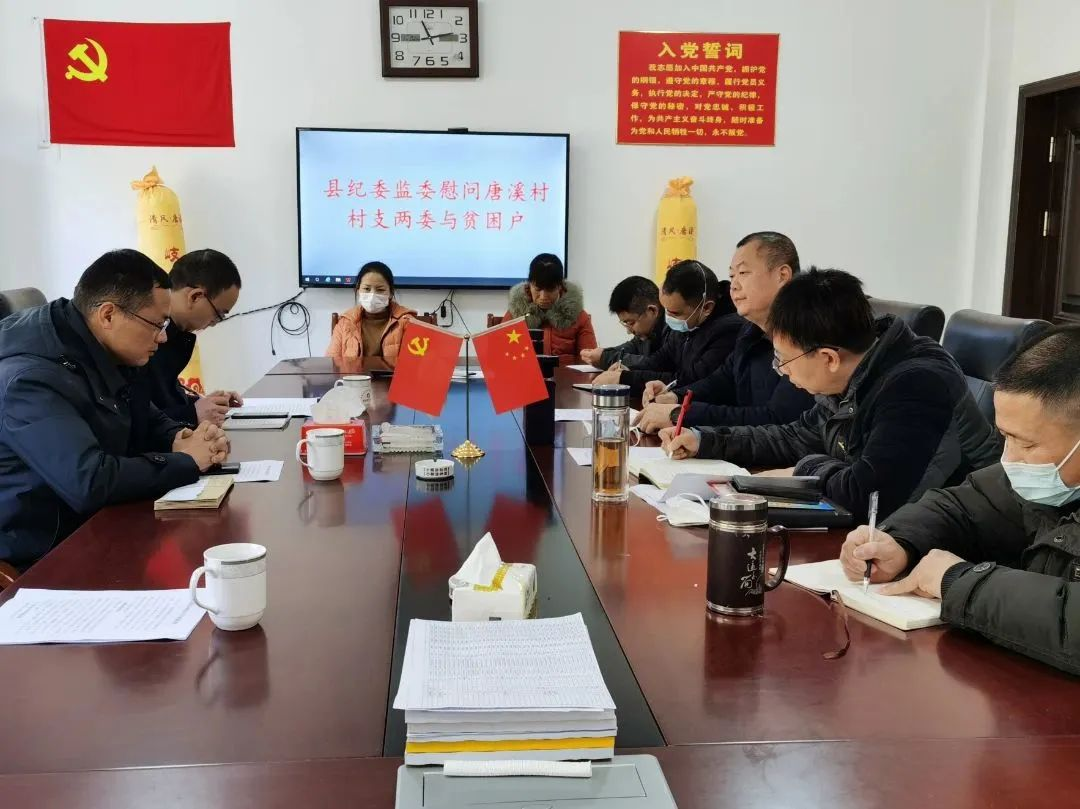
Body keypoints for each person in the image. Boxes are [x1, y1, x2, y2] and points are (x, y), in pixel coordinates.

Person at [660, 268, 1001, 522]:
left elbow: (869, 497)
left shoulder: (917, 385)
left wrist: (804, 469)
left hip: (954, 545)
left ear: (828, 358)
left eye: (785, 360)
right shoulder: (854, 372)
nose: (782, 371)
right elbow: (796, 436)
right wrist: (706, 440)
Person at [840, 326, 1080, 675]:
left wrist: (957, 580)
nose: (1010, 458)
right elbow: (964, 505)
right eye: (1005, 437)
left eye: (1027, 444)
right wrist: (900, 542)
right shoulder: (1053, 478)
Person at [0, 249, 230, 570]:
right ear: (108, 315)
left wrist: (179, 436)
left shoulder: (97, 344)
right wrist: (187, 460)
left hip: (98, 526)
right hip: (45, 555)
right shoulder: (29, 379)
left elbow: (143, 411)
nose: (163, 337)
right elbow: (90, 482)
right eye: (156, 324)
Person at [634, 232, 814, 433]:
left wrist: (680, 414)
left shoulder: (808, 333)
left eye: (743, 273)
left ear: (782, 275)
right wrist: (676, 396)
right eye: (731, 276)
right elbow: (723, 380)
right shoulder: (750, 329)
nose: (734, 286)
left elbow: (778, 420)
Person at [592, 259, 741, 397]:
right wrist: (628, 369)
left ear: (706, 307)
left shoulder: (728, 330)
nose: (667, 317)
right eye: (666, 310)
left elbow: (691, 379)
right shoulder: (686, 325)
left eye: (675, 313)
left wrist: (626, 378)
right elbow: (659, 360)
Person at [141, 248, 243, 427]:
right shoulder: (145, 333)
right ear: (195, 296)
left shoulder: (177, 335)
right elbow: (134, 418)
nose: (215, 323)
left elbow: (163, 399)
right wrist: (192, 413)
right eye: (218, 314)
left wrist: (208, 404)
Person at [505, 253, 596, 362]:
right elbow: (501, 354)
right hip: (525, 371)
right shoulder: (515, 314)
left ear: (560, 286)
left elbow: (590, 360)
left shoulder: (578, 316)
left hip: (565, 372)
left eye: (550, 290)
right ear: (529, 285)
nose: (543, 297)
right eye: (538, 289)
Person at [326, 262, 417, 365]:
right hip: (353, 375)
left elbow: (415, 365)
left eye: (380, 290)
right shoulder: (345, 322)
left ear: (391, 293)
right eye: (366, 289)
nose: (372, 295)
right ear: (358, 289)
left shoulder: (407, 322)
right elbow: (332, 363)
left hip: (393, 376)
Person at [579, 276, 668, 370]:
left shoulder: (673, 330)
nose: (629, 331)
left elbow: (656, 364)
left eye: (631, 323)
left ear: (652, 311)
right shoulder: (646, 333)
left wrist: (605, 358)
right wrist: (603, 353)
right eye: (625, 324)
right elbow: (632, 347)